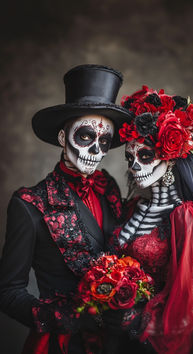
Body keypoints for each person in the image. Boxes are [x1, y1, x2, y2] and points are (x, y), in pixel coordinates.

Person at [0, 64, 132, 353]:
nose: (96, 151)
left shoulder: (108, 188)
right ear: (63, 138)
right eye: (85, 136)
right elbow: (8, 292)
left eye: (105, 141)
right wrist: (65, 318)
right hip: (61, 344)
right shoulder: (29, 205)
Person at [109, 86, 193, 353]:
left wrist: (134, 320)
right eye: (130, 157)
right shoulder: (134, 207)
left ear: (170, 157)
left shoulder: (185, 216)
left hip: (153, 344)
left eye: (145, 156)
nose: (134, 167)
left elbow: (191, 304)